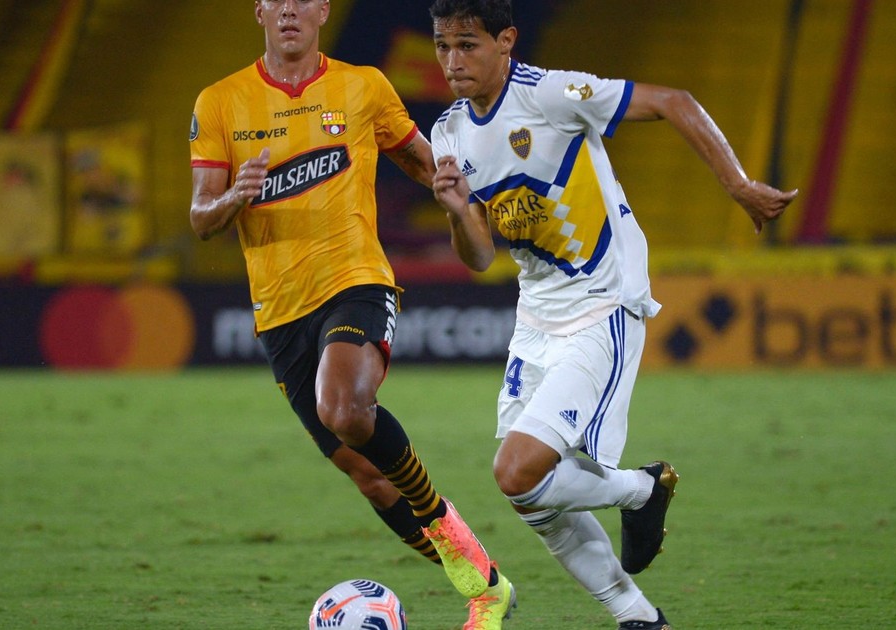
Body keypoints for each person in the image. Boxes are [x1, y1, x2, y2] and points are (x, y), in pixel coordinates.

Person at [428, 1, 798, 628]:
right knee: (534, 499)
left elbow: (674, 101)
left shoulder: (550, 95)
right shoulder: (449, 132)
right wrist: (459, 212)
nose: (452, 60)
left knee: (517, 472)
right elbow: (481, 256)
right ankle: (639, 617)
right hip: (536, 315)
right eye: (442, 46)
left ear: (506, 41)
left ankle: (641, 489)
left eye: (468, 44)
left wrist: (737, 185)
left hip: (603, 302)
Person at [187, 1, 515, 627]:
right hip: (279, 312)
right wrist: (234, 196)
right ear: (259, 10)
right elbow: (201, 218)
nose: (289, 8)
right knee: (370, 478)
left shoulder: (363, 86)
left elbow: (426, 163)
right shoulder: (220, 101)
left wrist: (475, 204)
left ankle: (449, 533)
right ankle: (486, 584)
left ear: (322, 10)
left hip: (355, 280)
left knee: (344, 409)